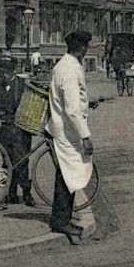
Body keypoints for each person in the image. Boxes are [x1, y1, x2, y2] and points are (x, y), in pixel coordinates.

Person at [45, 30, 94, 243]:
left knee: (66, 174)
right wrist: (85, 136)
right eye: (86, 47)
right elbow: (72, 109)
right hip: (67, 131)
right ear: (82, 48)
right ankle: (61, 220)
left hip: (63, 127)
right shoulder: (70, 69)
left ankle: (61, 217)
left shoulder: (63, 65)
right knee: (68, 175)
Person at [0, 69, 35, 206]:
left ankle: (26, 192)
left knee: (22, 161)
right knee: (6, 161)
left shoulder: (23, 85)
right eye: (2, 73)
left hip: (20, 128)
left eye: (6, 72)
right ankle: (7, 192)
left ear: (13, 72)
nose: (4, 76)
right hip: (4, 128)